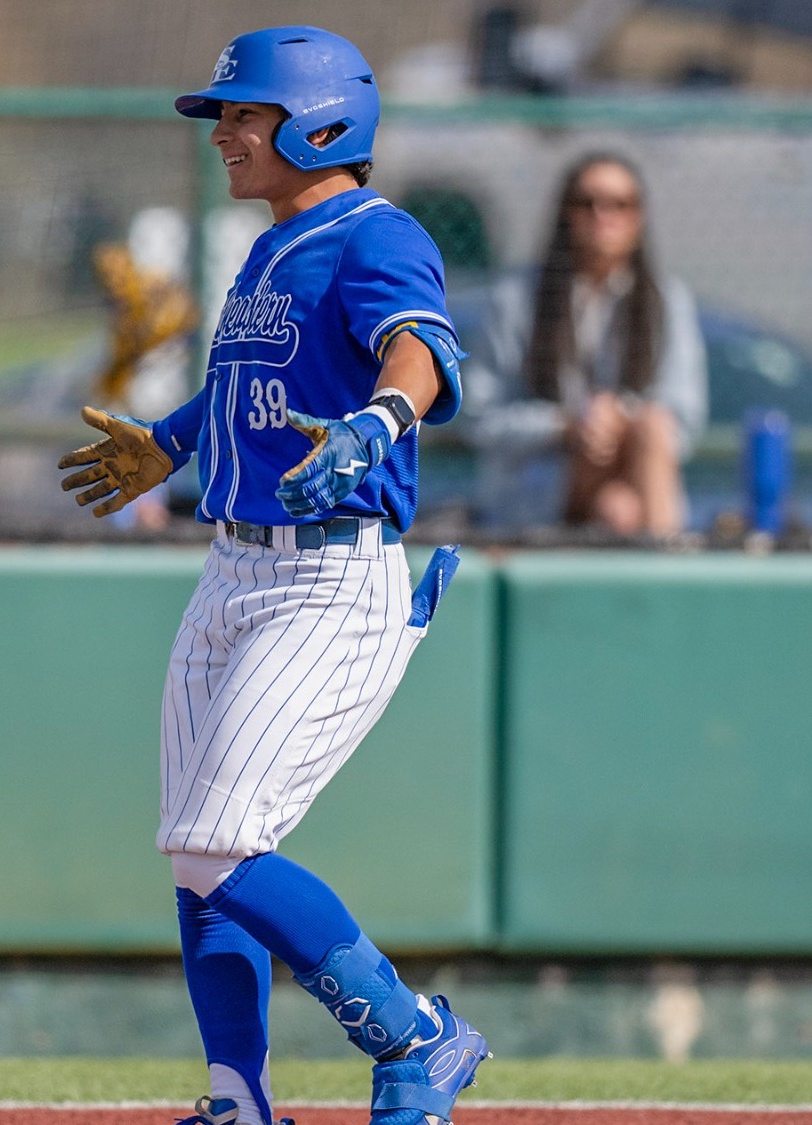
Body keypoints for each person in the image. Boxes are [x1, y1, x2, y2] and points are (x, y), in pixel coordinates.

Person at [58, 27, 490, 1125]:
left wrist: (378, 420)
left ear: (321, 124)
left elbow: (420, 349)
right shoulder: (267, 249)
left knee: (220, 840)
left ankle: (415, 1034)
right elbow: (249, 389)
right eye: (226, 116)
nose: (224, 135)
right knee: (197, 857)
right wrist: (171, 441)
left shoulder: (374, 233)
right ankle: (237, 1101)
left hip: (329, 574)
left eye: (245, 115)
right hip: (232, 568)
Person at [463, 153, 706, 535]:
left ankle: (664, 552)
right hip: (537, 485)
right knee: (621, 496)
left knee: (638, 462)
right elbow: (479, 417)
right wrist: (565, 426)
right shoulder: (517, 298)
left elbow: (684, 421)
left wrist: (618, 418)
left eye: (620, 204)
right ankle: (672, 559)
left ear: (639, 218)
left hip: (635, 475)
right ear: (566, 212)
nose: (602, 216)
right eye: (587, 203)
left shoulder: (666, 301)